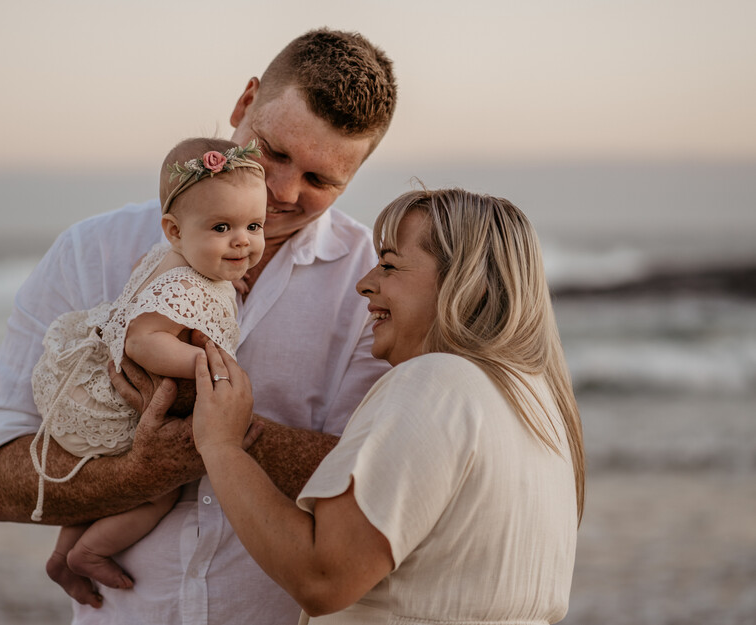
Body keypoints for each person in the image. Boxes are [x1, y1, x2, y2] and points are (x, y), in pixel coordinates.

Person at [0, 28, 397, 624]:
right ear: (245, 103)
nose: (280, 191)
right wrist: (132, 476)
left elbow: (369, 486)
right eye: (272, 151)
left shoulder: (373, 285)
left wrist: (220, 428)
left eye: (320, 180)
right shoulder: (91, 250)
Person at [192, 187, 586, 624]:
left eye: (390, 265)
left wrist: (222, 445)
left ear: (463, 280)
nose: (366, 283)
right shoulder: (539, 409)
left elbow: (323, 577)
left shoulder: (436, 383)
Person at [29, 137, 267, 602]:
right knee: (157, 491)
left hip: (87, 385)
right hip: (107, 407)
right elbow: (142, 341)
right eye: (222, 227)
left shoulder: (175, 258)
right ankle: (88, 554)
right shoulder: (181, 284)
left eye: (254, 225)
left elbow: (150, 276)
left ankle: (63, 553)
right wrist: (205, 362)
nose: (242, 240)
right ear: (174, 231)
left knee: (103, 477)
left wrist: (223, 268)